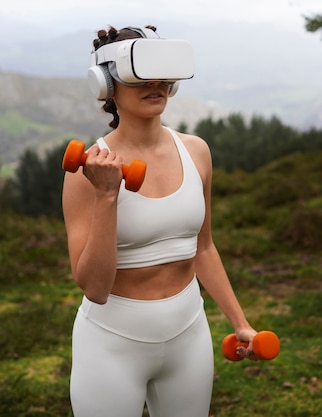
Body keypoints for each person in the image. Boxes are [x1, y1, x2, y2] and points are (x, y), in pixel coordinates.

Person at [62, 25, 258, 417]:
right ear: (106, 84)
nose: (155, 83)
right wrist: (106, 195)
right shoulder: (86, 171)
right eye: (138, 73)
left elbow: (203, 247)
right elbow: (95, 288)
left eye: (163, 71)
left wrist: (241, 323)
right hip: (111, 345)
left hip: (189, 335)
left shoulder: (197, 151)